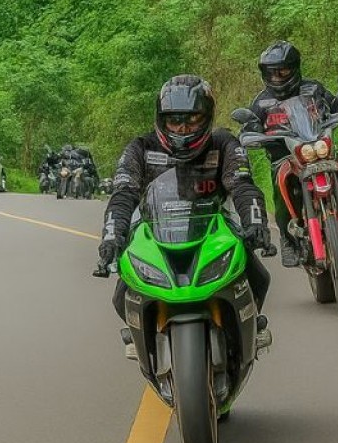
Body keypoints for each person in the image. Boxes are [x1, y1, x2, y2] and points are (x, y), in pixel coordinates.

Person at [93, 74, 275, 358]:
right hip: (154, 230)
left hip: (215, 228)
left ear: (208, 117)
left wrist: (256, 223)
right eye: (174, 120)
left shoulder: (224, 143)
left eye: (192, 120)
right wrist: (111, 237)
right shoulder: (140, 148)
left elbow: (242, 185)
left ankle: (252, 325)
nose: (183, 128)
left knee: (258, 277)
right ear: (161, 119)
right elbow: (123, 194)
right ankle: (140, 332)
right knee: (121, 295)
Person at [242, 40, 338, 267]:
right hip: (284, 158)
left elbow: (335, 103)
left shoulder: (313, 89)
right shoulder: (262, 101)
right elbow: (250, 125)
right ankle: (287, 239)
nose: (277, 77)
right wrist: (251, 133)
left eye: (282, 71)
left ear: (294, 68)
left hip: (318, 147)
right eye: (272, 72)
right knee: (281, 189)